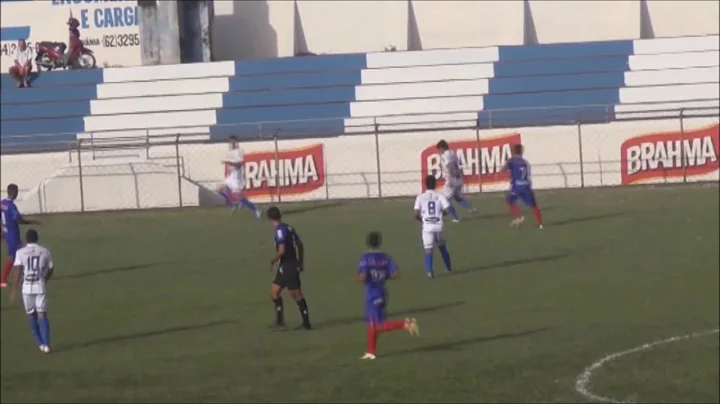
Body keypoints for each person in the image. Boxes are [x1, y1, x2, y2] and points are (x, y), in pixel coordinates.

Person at [357, 231, 419, 360]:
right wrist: (383, 275)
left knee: (377, 325)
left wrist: (357, 278)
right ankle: (371, 352)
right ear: (380, 243)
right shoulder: (386, 257)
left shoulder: (365, 258)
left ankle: (406, 324)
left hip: (372, 294)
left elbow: (363, 278)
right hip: (382, 292)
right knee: (372, 323)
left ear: (367, 243)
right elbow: (395, 275)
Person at [9, 229, 54, 354]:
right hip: (40, 286)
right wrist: (45, 279)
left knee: (31, 314)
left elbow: (18, 271)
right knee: (42, 314)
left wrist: (14, 289)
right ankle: (47, 344)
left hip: (27, 288)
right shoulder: (44, 251)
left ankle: (40, 343)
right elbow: (51, 268)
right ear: (37, 239)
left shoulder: (20, 252)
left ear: (26, 240)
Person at [267, 206, 311, 330]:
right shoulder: (289, 227)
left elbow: (282, 250)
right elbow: (300, 244)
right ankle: (280, 321)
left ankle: (306, 323)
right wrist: (301, 261)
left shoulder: (280, 230)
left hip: (289, 266)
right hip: (286, 265)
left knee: (296, 294)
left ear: (270, 219)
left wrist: (273, 260)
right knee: (274, 292)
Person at [414, 175, 453, 279]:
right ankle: (448, 269)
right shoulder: (440, 196)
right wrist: (440, 215)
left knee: (428, 250)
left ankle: (429, 272)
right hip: (438, 226)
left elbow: (416, 214)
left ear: (425, 184)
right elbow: (448, 210)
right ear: (435, 184)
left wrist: (422, 220)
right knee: (442, 247)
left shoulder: (420, 197)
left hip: (427, 227)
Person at [1, 184, 40, 288]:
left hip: (7, 233)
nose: (17, 194)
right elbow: (19, 219)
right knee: (17, 255)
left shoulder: (2, 203)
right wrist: (33, 222)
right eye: (17, 192)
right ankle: (5, 280)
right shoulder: (11, 206)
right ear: (14, 193)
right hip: (13, 235)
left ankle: (8, 279)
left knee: (16, 255)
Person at [502, 144, 544, 229]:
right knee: (533, 205)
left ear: (513, 151)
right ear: (522, 151)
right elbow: (528, 174)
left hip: (516, 186)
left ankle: (518, 217)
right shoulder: (525, 162)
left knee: (510, 201)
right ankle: (540, 224)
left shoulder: (511, 160)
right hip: (526, 185)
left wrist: (505, 169)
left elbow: (504, 168)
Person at [219, 136, 261, 218]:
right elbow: (229, 165)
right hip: (230, 176)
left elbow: (238, 165)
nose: (231, 144)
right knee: (219, 189)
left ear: (237, 142)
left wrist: (228, 163)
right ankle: (234, 203)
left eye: (233, 142)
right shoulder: (229, 152)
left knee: (239, 197)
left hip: (236, 177)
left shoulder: (239, 152)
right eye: (230, 142)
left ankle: (255, 209)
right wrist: (228, 171)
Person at [436, 140, 473, 222]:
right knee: (457, 197)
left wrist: (449, 180)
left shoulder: (446, 155)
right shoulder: (453, 153)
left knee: (445, 200)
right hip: (458, 179)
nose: (439, 151)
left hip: (452, 180)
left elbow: (450, 166)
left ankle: (455, 218)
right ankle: (470, 207)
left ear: (442, 148)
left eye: (439, 149)